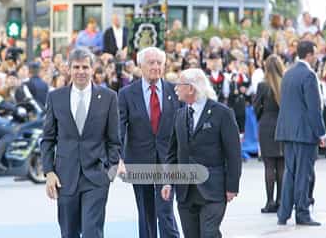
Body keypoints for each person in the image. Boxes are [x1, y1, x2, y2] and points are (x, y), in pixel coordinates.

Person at [41, 47, 120, 238]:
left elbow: (114, 140)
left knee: (93, 231)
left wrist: (110, 170)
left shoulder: (109, 98)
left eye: (85, 67)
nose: (81, 71)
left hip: (96, 177)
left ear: (93, 69)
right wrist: (49, 172)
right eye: (76, 67)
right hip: (65, 177)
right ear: (68, 69)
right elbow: (48, 139)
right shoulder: (55, 97)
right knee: (69, 232)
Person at [161, 68, 241, 238]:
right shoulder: (180, 115)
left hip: (213, 189)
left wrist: (232, 186)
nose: (175, 89)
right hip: (186, 192)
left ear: (191, 88)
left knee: (209, 234)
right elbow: (172, 153)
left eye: (179, 85)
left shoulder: (222, 113)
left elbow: (233, 153)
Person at [118, 47, 181, 238]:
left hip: (168, 161)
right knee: (146, 211)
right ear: (141, 66)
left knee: (165, 209)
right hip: (139, 159)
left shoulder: (175, 91)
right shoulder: (127, 94)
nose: (155, 67)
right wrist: (118, 158)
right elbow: (120, 129)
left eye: (159, 63)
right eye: (151, 63)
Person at [275, 41, 326, 226]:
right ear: (308, 54)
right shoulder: (309, 75)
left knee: (290, 172)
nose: (316, 57)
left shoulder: (288, 73)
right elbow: (313, 108)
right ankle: (302, 213)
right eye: (314, 53)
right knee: (304, 174)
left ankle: (283, 214)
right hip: (304, 133)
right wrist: (321, 133)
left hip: (288, 131)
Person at [253, 55, 285, 213]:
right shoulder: (285, 84)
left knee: (269, 166)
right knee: (281, 166)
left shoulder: (262, 85)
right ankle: (281, 201)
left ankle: (270, 201)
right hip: (283, 126)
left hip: (267, 125)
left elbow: (256, 107)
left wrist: (262, 116)